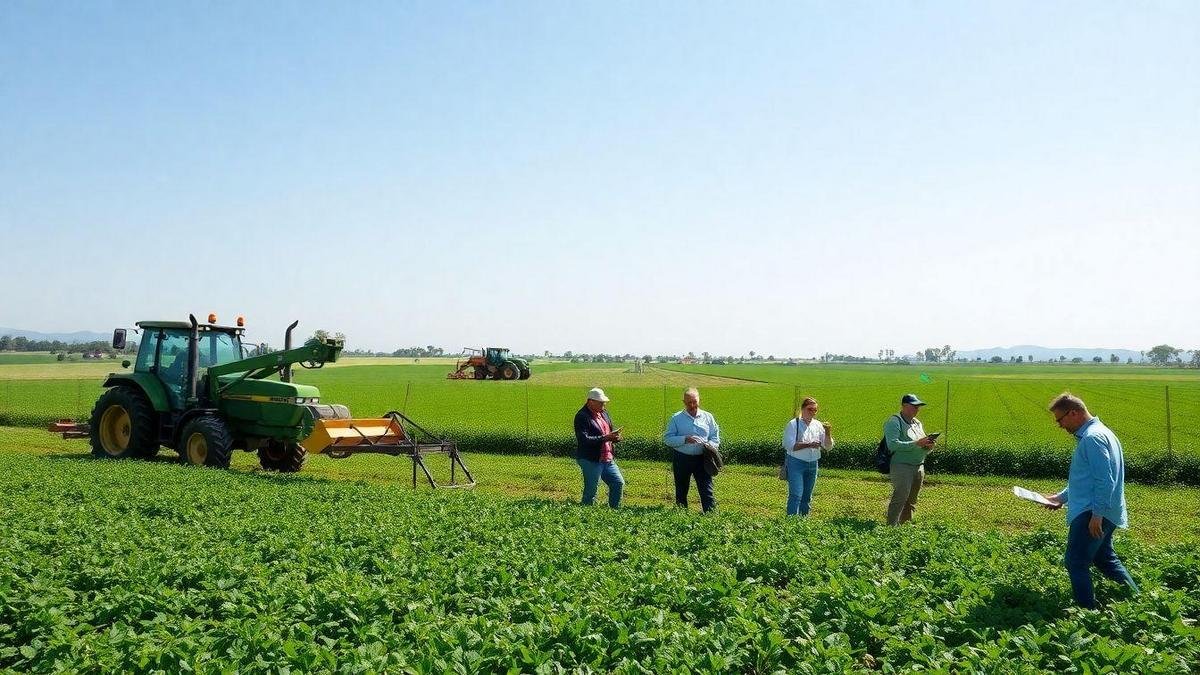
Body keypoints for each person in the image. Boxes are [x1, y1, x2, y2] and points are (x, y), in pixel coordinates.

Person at [1040, 393, 1138, 609]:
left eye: (1060, 419)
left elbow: (1105, 480)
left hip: (1093, 512)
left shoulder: (1093, 438)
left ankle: (1088, 614)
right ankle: (1137, 598)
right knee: (1104, 559)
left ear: (1073, 413)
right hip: (1104, 509)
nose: (1059, 425)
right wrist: (1060, 498)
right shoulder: (1101, 433)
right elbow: (1086, 479)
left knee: (1076, 561)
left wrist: (1097, 515)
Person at [883, 393, 937, 525]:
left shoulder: (916, 423)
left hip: (919, 465)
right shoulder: (894, 422)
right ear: (904, 406)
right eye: (914, 406)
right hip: (902, 466)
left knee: (912, 499)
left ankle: (905, 524)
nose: (917, 409)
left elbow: (922, 443)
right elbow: (892, 444)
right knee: (900, 497)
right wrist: (916, 444)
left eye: (918, 407)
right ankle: (891, 526)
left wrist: (929, 446)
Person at [664, 387, 721, 512]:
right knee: (681, 489)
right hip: (682, 459)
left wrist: (710, 446)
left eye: (694, 401)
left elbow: (715, 437)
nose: (692, 405)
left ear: (699, 400)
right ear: (683, 402)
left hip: (703, 459)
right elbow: (668, 439)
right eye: (689, 402)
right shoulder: (676, 418)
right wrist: (684, 439)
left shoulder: (708, 417)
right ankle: (681, 515)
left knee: (707, 489)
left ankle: (710, 515)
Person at [573, 387, 625, 508]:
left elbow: (608, 432)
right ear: (590, 402)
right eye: (601, 402)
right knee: (591, 490)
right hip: (590, 459)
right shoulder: (582, 416)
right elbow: (584, 439)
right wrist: (606, 438)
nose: (604, 404)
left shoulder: (604, 413)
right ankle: (586, 514)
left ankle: (614, 510)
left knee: (617, 483)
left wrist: (615, 437)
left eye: (604, 402)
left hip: (607, 458)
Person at [782, 397, 834, 516]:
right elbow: (788, 445)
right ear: (803, 409)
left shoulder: (818, 425)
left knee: (807, 496)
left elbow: (828, 447)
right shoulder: (793, 424)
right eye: (810, 409)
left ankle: (803, 522)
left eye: (815, 410)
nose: (813, 412)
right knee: (796, 494)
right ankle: (791, 522)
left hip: (813, 464)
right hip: (796, 462)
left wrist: (828, 432)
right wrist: (809, 444)